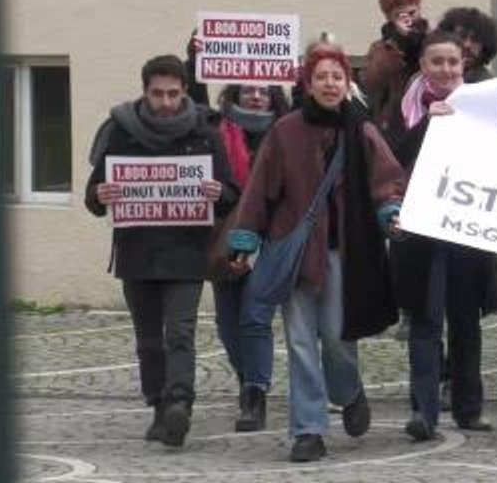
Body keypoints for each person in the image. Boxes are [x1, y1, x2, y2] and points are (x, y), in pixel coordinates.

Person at [225, 45, 406, 462]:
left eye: (337, 77)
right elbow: (259, 191)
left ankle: (348, 391)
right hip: (295, 253)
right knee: (301, 342)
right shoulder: (285, 131)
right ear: (309, 83)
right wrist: (245, 239)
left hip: (346, 251)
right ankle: (308, 429)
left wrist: (390, 212)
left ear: (347, 84)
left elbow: (387, 179)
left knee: (338, 338)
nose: (329, 84)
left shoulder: (361, 130)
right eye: (321, 77)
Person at [85, 55, 239, 447]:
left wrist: (219, 193)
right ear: (145, 92)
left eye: (173, 93)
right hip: (137, 253)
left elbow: (230, 193)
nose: (167, 102)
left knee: (181, 333)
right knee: (148, 341)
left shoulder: (205, 133)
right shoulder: (120, 131)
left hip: (186, 252)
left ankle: (180, 404)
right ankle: (158, 405)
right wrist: (100, 194)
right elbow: (94, 193)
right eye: (158, 94)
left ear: (185, 91)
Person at [393, 31, 497, 441]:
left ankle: (468, 408)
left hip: (466, 232)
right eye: (437, 62)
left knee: (465, 322)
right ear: (423, 66)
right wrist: (429, 123)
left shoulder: (481, 107)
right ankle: (423, 411)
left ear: (465, 66)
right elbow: (393, 157)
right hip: (421, 235)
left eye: (453, 62)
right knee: (425, 322)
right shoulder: (405, 108)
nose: (446, 69)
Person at [209, 84, 290, 433]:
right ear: (233, 95)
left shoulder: (286, 133)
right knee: (228, 324)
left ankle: (254, 396)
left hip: (271, 239)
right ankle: (247, 380)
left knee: (255, 317)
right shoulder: (215, 133)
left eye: (264, 91)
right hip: (225, 239)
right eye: (247, 91)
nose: (256, 97)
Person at [364, 0, 430, 129]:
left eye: (412, 13)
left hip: (428, 111)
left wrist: (417, 39)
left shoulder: (433, 40)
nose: (409, 20)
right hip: (395, 121)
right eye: (400, 15)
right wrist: (398, 43)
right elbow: (372, 82)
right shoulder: (381, 47)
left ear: (419, 9)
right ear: (389, 18)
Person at [436, 7, 497, 83]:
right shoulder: (426, 81)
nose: (467, 45)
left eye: (475, 39)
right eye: (461, 36)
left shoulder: (488, 86)